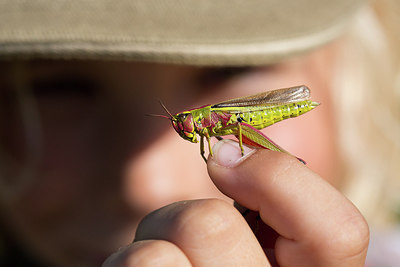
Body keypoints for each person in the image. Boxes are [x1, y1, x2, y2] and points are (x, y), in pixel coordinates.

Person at [1, 0, 399, 266]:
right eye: (61, 88)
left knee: (241, 134)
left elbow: (236, 127)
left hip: (273, 106)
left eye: (230, 70)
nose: (149, 185)